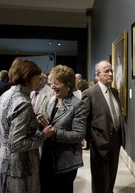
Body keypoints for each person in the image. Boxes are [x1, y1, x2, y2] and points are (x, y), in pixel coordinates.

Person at [0, 58, 55, 193]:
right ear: (27, 78)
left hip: (5, 161)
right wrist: (43, 135)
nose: (39, 78)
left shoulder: (7, 94)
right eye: (37, 75)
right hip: (21, 168)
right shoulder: (23, 102)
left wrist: (34, 120)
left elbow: (8, 126)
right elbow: (16, 144)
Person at [38, 65, 86, 193]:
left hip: (65, 162)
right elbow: (49, 121)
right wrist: (41, 121)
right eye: (51, 83)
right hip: (47, 155)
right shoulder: (52, 100)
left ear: (68, 84)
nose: (52, 86)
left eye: (57, 83)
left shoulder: (77, 105)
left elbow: (79, 134)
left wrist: (54, 133)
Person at [82, 60, 125, 193]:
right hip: (99, 141)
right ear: (97, 75)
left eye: (111, 70)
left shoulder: (114, 91)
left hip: (116, 140)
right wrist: (92, 139)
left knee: (112, 175)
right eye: (106, 71)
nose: (111, 74)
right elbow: (83, 121)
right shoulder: (89, 94)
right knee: (100, 179)